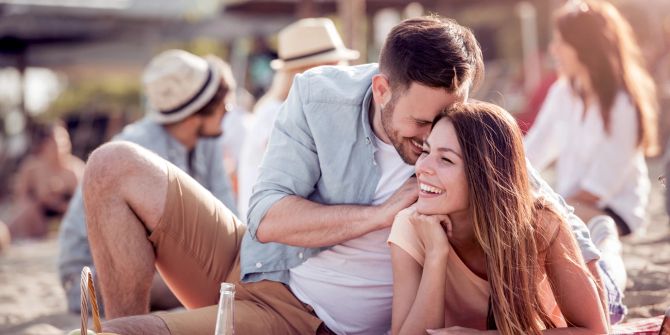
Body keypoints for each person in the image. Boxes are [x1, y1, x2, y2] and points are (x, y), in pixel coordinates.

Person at [83, 16, 602, 335]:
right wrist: (381, 214)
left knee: (125, 334)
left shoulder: (452, 129)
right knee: (112, 165)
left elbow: (524, 192)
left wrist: (598, 282)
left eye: (448, 116)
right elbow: (264, 216)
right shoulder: (318, 96)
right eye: (421, 122)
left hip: (303, 317)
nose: (432, 136)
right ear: (381, 90)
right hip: (261, 265)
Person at [389, 101, 607, 335]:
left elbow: (596, 331)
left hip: (589, 279)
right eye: (426, 151)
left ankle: (606, 237)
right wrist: (435, 254)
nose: (423, 167)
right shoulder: (411, 225)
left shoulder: (540, 223)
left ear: (486, 176)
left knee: (611, 273)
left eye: (446, 160)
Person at [57, 49, 238, 313]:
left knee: (230, 284)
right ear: (196, 114)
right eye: (224, 106)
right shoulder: (137, 150)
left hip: (152, 268)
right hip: (91, 278)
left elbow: (227, 216)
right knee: (225, 288)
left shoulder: (204, 142)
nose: (228, 112)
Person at [524, 0, 659, 237]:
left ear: (584, 47)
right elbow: (533, 150)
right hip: (570, 205)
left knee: (537, 223)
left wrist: (542, 206)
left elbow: (599, 188)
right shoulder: (562, 92)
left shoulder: (623, 103)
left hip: (612, 212)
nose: (553, 50)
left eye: (561, 42)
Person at [237, 17, 360, 219]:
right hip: (271, 228)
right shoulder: (275, 113)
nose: (342, 75)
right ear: (306, 71)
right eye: (333, 66)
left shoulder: (281, 108)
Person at [8, 121, 85, 239]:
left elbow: (83, 204)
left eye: (65, 141)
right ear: (45, 145)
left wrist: (61, 200)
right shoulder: (32, 168)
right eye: (56, 142)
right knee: (23, 213)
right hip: (37, 215)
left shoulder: (75, 170)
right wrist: (39, 202)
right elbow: (21, 197)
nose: (61, 146)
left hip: (68, 214)